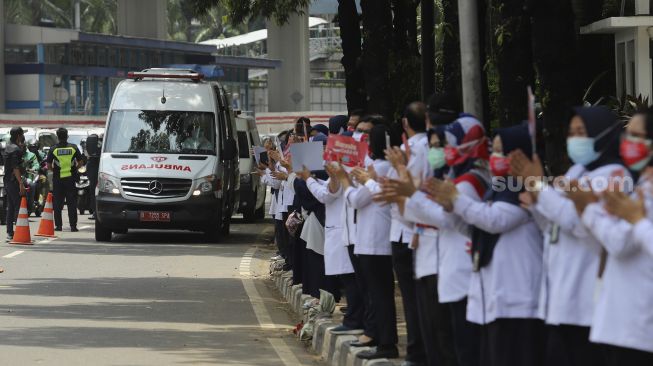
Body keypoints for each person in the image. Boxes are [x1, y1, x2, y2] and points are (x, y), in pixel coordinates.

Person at [510, 106, 626, 366]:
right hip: (560, 301)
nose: (575, 138)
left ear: (604, 134)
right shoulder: (577, 172)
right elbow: (554, 226)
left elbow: (577, 221)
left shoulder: (614, 176)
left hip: (587, 302)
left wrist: (540, 187)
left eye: (582, 132)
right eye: (571, 132)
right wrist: (536, 203)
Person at [431, 123, 545, 366]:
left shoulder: (522, 191)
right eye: (493, 151)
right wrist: (452, 208)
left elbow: (495, 220)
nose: (496, 158)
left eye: (503, 152)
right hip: (494, 299)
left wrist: (457, 200)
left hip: (518, 300)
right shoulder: (496, 190)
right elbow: (477, 230)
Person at [565, 108, 653, 365]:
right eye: (628, 135)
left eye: (638, 136)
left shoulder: (633, 186)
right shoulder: (640, 186)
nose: (629, 142)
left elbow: (618, 243)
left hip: (638, 324)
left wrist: (588, 207)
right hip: (622, 321)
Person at [341, 123, 399, 360]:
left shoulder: (381, 168)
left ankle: (385, 343)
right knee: (380, 293)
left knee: (379, 294)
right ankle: (379, 336)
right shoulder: (382, 167)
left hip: (374, 240)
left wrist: (345, 181)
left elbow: (357, 200)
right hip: (377, 238)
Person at [47, 127, 84, 232]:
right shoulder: (73, 147)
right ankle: (73, 226)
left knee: (58, 204)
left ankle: (59, 226)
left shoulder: (53, 149)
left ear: (57, 137)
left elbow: (48, 165)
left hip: (58, 180)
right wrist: (74, 169)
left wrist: (55, 171)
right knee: (72, 203)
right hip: (71, 179)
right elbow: (81, 162)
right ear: (67, 136)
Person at [3, 127, 26, 243]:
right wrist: (21, 183)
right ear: (18, 136)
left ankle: (10, 233)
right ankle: (19, 232)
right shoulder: (16, 149)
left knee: (11, 206)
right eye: (22, 135)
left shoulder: (7, 147)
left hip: (7, 180)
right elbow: (15, 168)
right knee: (18, 206)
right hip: (13, 181)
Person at [85, 134, 101, 220]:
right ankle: (95, 211)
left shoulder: (102, 146)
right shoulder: (91, 151)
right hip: (94, 174)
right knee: (93, 191)